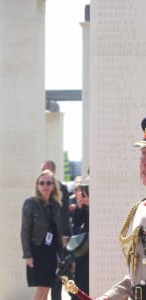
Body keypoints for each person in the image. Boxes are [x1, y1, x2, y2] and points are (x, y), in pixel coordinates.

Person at [96, 117, 146, 300]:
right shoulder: (140, 209)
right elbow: (137, 276)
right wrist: (108, 297)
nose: (143, 162)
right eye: (142, 154)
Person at [21, 169, 63, 300]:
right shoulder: (31, 203)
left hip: (51, 252)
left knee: (46, 289)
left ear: (53, 186)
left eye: (48, 183)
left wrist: (60, 253)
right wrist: (27, 255)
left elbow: (57, 231)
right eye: (42, 183)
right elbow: (24, 231)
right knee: (42, 288)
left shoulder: (56, 205)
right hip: (37, 250)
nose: (45, 185)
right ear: (37, 186)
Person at [41, 160, 72, 300]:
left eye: (45, 169)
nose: (42, 172)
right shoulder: (40, 187)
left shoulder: (61, 187)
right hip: (45, 237)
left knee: (59, 271)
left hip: (59, 237)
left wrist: (65, 235)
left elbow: (64, 214)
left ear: (52, 170)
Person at [71, 183, 89, 297]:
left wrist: (91, 203)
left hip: (99, 244)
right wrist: (80, 205)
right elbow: (78, 222)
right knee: (82, 281)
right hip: (86, 247)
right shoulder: (86, 193)